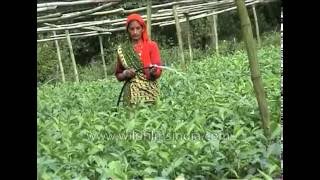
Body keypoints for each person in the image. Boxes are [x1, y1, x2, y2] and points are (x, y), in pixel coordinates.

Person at [115, 13, 162, 106]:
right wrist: (125, 74)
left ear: (142, 29)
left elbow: (158, 70)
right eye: (132, 29)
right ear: (127, 30)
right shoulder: (123, 49)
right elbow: (118, 74)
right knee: (132, 119)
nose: (135, 32)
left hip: (150, 92)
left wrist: (153, 71)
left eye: (138, 28)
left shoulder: (151, 46)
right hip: (131, 95)